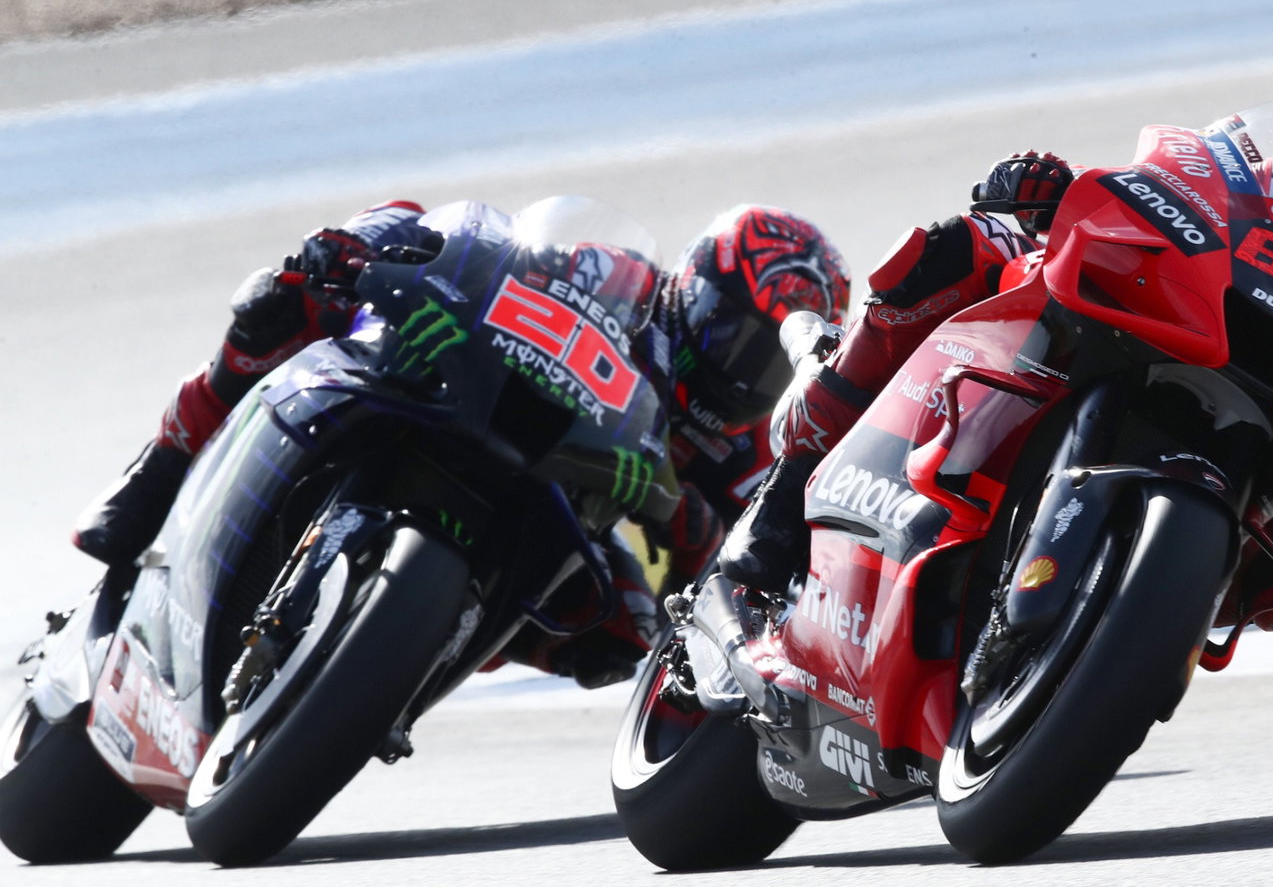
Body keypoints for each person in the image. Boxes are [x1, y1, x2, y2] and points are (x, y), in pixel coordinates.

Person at [722, 120, 1273, 632]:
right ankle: (797, 474)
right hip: (1184, 333)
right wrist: (1057, 190)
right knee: (956, 253)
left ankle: (1115, 636)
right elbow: (1185, 181)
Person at [72, 199, 851, 686]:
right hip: (449, 396)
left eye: (763, 362)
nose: (736, 371)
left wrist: (690, 529)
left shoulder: (749, 453)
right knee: (278, 308)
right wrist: (363, 251)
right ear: (694, 291)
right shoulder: (612, 273)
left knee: (623, 635)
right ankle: (160, 466)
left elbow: (730, 576)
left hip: (558, 511)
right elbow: (478, 250)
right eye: (733, 335)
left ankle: (406, 661)